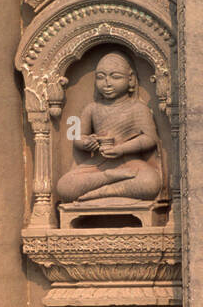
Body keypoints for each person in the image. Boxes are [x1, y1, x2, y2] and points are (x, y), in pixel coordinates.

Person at [57, 50, 165, 203]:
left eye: (115, 77)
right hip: (98, 166)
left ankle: (98, 193)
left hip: (129, 164)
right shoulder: (92, 108)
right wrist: (86, 142)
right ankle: (110, 178)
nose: (107, 83)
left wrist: (121, 149)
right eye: (100, 77)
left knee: (150, 182)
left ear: (131, 79)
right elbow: (76, 137)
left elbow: (150, 139)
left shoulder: (138, 108)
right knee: (64, 186)